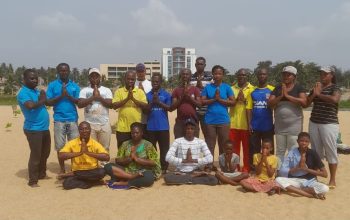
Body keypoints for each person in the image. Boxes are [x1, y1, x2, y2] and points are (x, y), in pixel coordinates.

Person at [307, 66, 341, 188]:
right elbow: (306, 103)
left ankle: (332, 180)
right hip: (314, 122)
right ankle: (315, 176)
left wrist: (319, 94)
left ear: (331, 75)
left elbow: (335, 100)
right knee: (315, 151)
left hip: (329, 123)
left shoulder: (335, 88)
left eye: (325, 74)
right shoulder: (317, 87)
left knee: (331, 150)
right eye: (321, 74)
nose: (322, 76)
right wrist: (314, 93)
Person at [17, 69, 51, 187]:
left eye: (36, 78)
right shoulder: (23, 93)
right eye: (32, 78)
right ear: (24, 80)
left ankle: (42, 174)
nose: (35, 80)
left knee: (45, 153)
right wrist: (42, 99)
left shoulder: (35, 91)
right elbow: (30, 106)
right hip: (33, 129)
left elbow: (44, 102)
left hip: (44, 128)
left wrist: (43, 97)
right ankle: (33, 180)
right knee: (36, 155)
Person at [268, 66, 307, 163]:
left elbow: (304, 102)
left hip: (294, 127)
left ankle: (292, 173)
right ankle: (279, 172)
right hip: (280, 127)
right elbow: (270, 103)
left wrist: (287, 96)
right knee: (280, 151)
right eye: (284, 74)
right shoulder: (277, 88)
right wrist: (281, 96)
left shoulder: (298, 88)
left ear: (294, 76)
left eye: (288, 75)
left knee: (293, 150)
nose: (285, 76)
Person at [104, 122, 161, 188]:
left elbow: (154, 162)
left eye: (137, 133)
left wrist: (137, 159)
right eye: (132, 133)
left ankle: (127, 182)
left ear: (142, 133)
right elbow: (118, 160)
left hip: (142, 172)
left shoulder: (148, 145)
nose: (134, 135)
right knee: (107, 167)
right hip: (126, 172)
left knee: (149, 178)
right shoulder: (125, 144)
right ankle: (131, 177)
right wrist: (129, 159)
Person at [46, 63, 80, 174]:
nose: (63, 72)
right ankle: (62, 168)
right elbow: (49, 102)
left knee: (74, 146)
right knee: (60, 147)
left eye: (65, 70)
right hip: (59, 120)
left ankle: (74, 167)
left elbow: (79, 102)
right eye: (61, 70)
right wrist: (61, 95)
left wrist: (68, 96)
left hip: (72, 119)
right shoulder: (52, 85)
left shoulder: (75, 86)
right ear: (58, 72)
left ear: (69, 71)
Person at [276, 132, 329, 199]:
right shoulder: (292, 152)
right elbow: (283, 170)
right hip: (295, 180)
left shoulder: (313, 153)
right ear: (297, 141)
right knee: (278, 180)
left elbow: (325, 174)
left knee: (325, 188)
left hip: (309, 181)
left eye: (306, 141)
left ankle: (294, 190)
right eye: (301, 141)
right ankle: (309, 195)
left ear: (309, 142)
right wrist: (297, 168)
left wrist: (306, 169)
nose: (304, 143)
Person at [164, 118, 218, 185]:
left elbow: (210, 158)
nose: (189, 130)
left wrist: (193, 160)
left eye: (192, 128)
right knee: (167, 177)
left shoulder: (200, 142)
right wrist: (184, 160)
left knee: (213, 180)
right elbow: (167, 157)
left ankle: (187, 179)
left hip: (195, 171)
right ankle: (191, 178)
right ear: (184, 129)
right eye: (187, 128)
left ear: (195, 130)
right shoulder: (177, 141)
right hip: (181, 172)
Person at [58, 121, 110, 190]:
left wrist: (88, 152)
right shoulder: (72, 143)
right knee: (66, 184)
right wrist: (79, 153)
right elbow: (61, 155)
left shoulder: (94, 143)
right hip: (79, 171)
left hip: (92, 171)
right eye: (81, 129)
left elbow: (107, 157)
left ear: (90, 130)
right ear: (78, 131)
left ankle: (74, 175)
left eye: (86, 129)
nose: (84, 131)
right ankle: (94, 183)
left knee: (102, 172)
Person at [201, 65, 235, 161]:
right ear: (212, 75)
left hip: (223, 120)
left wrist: (219, 99)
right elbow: (202, 102)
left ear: (223, 75)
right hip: (210, 121)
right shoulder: (208, 87)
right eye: (215, 73)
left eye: (219, 74)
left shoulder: (226, 87)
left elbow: (233, 102)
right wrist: (214, 99)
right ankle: (209, 164)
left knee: (223, 144)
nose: (217, 76)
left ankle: (223, 164)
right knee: (210, 144)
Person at [77, 68, 113, 150]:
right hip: (90, 125)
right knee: (91, 148)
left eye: (96, 76)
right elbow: (80, 104)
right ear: (89, 78)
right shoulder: (84, 90)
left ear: (100, 77)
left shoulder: (106, 90)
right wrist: (93, 97)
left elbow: (110, 104)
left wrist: (99, 97)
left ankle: (104, 163)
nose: (94, 78)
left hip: (104, 124)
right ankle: (94, 163)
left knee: (105, 148)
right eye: (92, 76)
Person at [111, 70, 148, 148]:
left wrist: (133, 99)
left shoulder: (140, 92)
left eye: (132, 79)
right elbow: (114, 105)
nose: (130, 81)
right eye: (128, 79)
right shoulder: (119, 91)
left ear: (135, 80)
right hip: (122, 129)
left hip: (136, 130)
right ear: (124, 79)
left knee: (137, 152)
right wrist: (127, 98)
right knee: (122, 152)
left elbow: (145, 106)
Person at [248, 68, 275, 171]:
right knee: (254, 150)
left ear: (267, 75)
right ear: (257, 76)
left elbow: (276, 107)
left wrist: (275, 122)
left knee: (269, 149)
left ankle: (270, 170)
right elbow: (249, 108)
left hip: (267, 126)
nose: (262, 76)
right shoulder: (252, 91)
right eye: (260, 74)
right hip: (255, 126)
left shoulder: (272, 89)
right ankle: (254, 169)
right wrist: (249, 123)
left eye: (264, 74)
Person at [229, 68, 255, 173]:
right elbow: (229, 103)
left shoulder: (252, 89)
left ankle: (246, 168)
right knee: (234, 149)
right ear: (237, 76)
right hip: (233, 123)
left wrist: (244, 101)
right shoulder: (231, 88)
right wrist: (236, 100)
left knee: (247, 149)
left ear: (247, 76)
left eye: (244, 75)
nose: (241, 77)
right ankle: (236, 167)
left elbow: (252, 107)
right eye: (240, 75)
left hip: (246, 124)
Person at [146, 73, 172, 173]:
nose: (155, 83)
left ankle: (164, 168)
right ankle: (154, 167)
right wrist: (153, 102)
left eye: (157, 81)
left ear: (161, 82)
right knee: (152, 150)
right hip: (150, 127)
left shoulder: (166, 94)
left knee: (164, 149)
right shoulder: (147, 95)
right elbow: (145, 111)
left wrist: (159, 102)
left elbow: (170, 108)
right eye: (153, 81)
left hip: (163, 126)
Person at [172, 68, 202, 138]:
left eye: (187, 74)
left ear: (190, 76)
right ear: (180, 76)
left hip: (193, 121)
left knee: (194, 144)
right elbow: (172, 107)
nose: (185, 76)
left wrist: (189, 98)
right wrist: (182, 97)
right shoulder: (176, 90)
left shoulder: (195, 89)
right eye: (183, 74)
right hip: (180, 121)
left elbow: (200, 105)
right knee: (179, 144)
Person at [190, 57, 212, 139]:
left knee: (208, 135)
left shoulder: (210, 78)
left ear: (205, 65)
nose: (199, 66)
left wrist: (201, 87)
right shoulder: (190, 77)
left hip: (206, 111)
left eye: (201, 64)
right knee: (194, 136)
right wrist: (196, 87)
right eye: (198, 64)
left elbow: (212, 93)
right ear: (195, 65)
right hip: (193, 110)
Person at [135, 63, 152, 139]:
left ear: (145, 71)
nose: (140, 73)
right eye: (139, 71)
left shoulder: (150, 84)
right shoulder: (132, 83)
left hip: (146, 119)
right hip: (135, 118)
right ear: (136, 72)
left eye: (142, 71)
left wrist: (143, 92)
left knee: (144, 142)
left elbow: (151, 101)